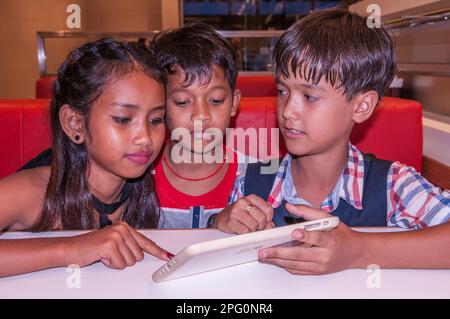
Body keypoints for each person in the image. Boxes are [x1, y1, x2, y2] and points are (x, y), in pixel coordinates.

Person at [229, 8, 450, 274]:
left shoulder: (393, 185)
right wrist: (220, 221)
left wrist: (358, 250)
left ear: (361, 106)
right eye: (282, 91)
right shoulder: (249, 182)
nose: (288, 110)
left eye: (310, 96)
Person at [0, 38, 173, 278]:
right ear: (75, 123)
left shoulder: (156, 181)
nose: (145, 138)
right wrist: (70, 249)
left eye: (156, 120)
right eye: (123, 119)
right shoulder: (34, 189)